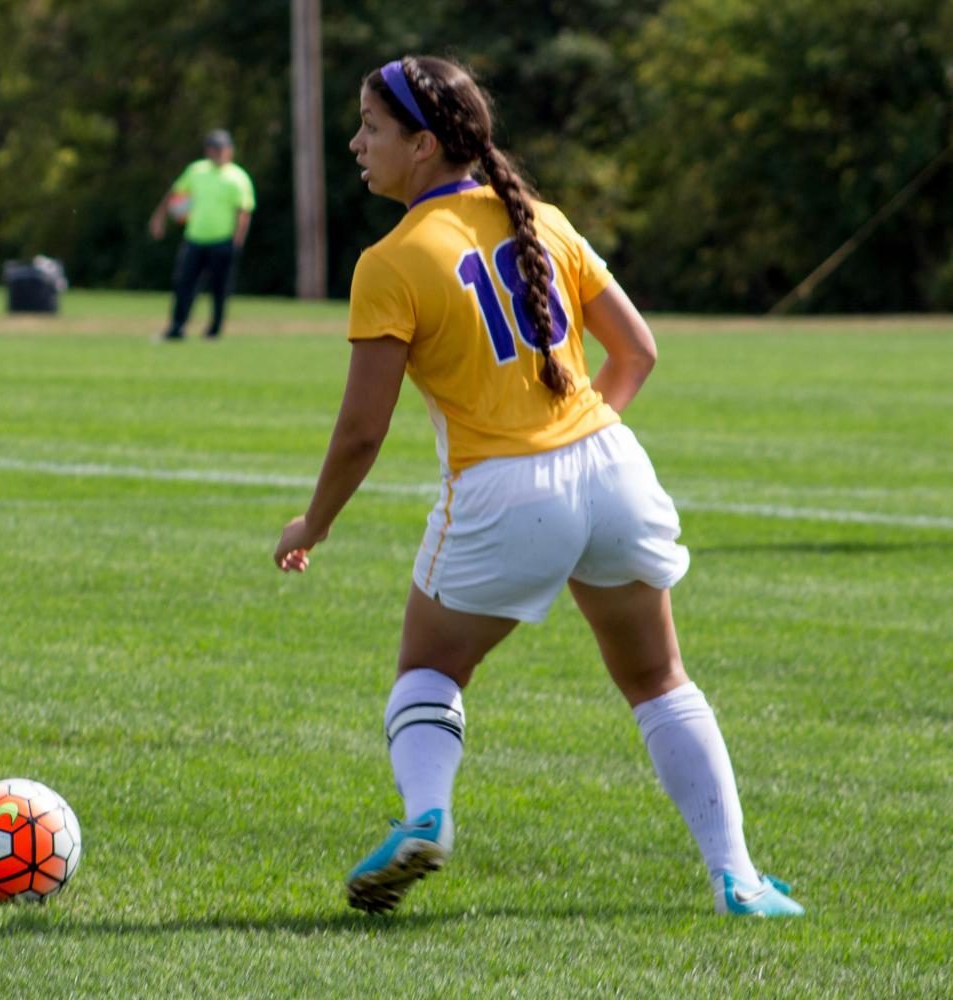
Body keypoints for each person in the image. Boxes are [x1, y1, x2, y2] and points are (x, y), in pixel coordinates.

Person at [273, 55, 804, 919]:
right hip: (613, 467)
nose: (355, 142)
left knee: (429, 671)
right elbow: (638, 352)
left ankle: (427, 815)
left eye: (370, 127)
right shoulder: (543, 220)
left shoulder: (393, 259)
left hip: (504, 492)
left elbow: (362, 432)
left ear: (422, 143)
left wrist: (314, 525)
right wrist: (585, 441)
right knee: (661, 681)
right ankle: (736, 877)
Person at [148, 129, 255, 340]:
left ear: (229, 150)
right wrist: (159, 218)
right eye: (214, 148)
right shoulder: (196, 170)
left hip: (222, 241)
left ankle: (214, 330)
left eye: (222, 148)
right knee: (183, 284)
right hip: (195, 238)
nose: (218, 153)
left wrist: (237, 242)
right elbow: (176, 193)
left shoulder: (238, 177)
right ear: (208, 150)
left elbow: (243, 212)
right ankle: (177, 327)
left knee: (219, 288)